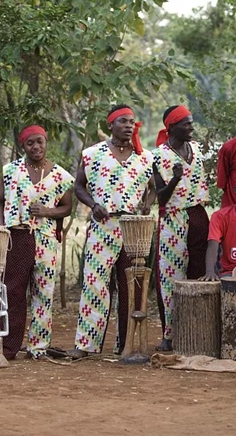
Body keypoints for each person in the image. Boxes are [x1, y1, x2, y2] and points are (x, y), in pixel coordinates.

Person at [70, 105, 155, 359]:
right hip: (103, 226)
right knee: (94, 284)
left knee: (131, 286)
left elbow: (153, 188)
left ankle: (126, 344)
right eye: (123, 121)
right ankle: (85, 345)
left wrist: (148, 204)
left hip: (133, 228)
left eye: (131, 122)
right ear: (110, 125)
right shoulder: (93, 154)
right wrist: (93, 205)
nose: (128, 126)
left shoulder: (144, 157)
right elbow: (78, 186)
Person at [0, 125, 74, 360]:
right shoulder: (11, 171)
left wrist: (47, 211)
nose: (36, 147)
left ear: (46, 142)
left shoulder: (59, 175)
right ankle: (9, 347)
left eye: (40, 142)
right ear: (23, 146)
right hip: (17, 236)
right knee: (13, 291)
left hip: (46, 239)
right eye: (30, 143)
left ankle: (38, 347)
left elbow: (67, 207)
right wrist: (2, 227)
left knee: (43, 291)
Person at [152, 105, 210, 351]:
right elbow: (161, 198)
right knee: (170, 278)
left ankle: (198, 332)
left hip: (197, 214)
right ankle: (170, 334)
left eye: (191, 122)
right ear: (172, 127)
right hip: (172, 217)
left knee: (199, 274)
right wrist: (175, 178)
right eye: (186, 123)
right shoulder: (158, 156)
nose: (191, 127)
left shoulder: (195, 149)